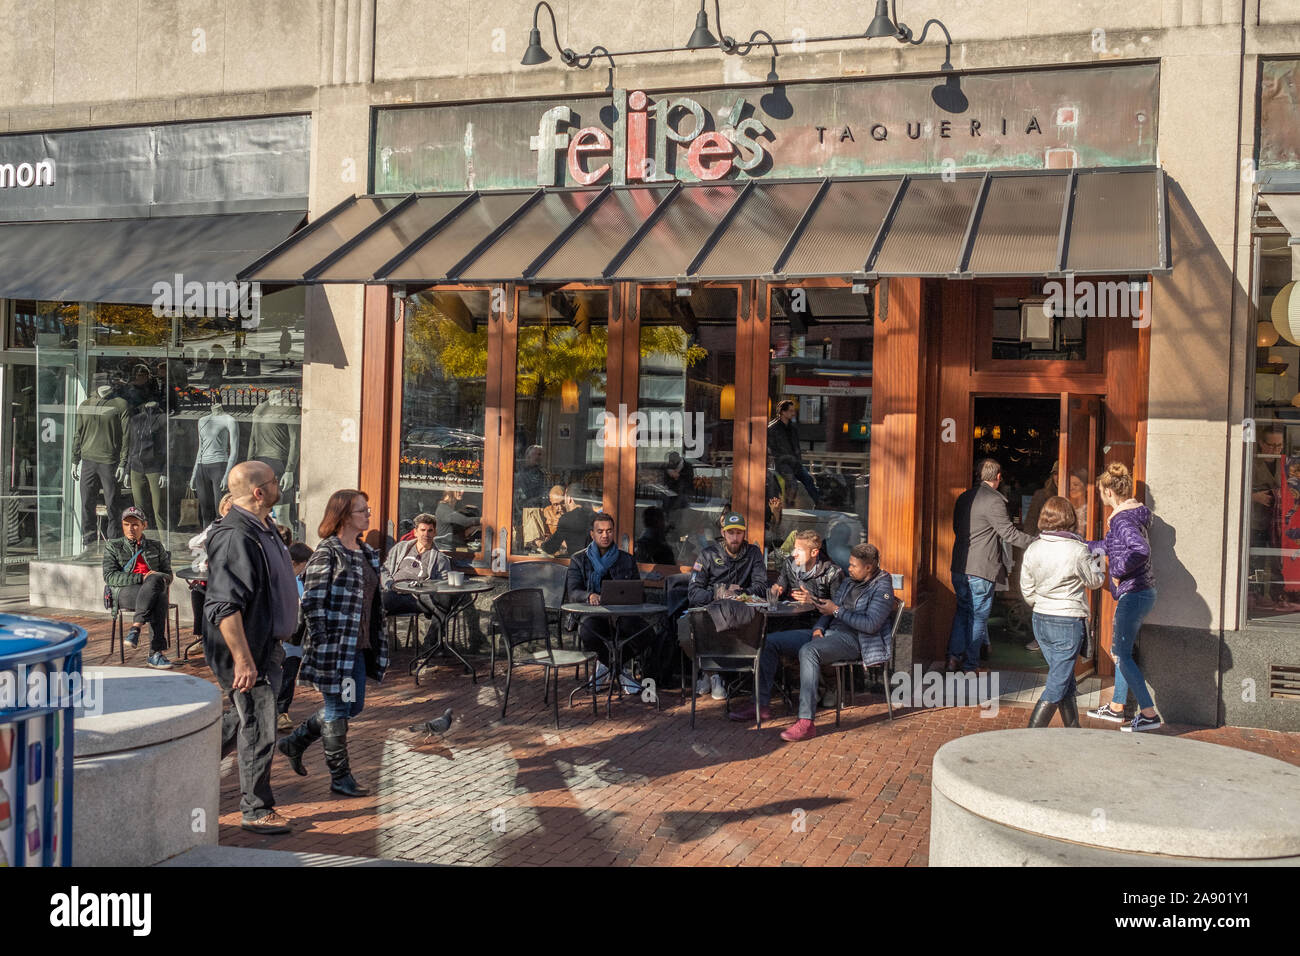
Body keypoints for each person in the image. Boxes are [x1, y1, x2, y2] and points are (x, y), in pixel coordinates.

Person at [203, 460, 300, 834]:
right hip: (248, 649)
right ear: (259, 492)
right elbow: (223, 605)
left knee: (250, 717)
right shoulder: (235, 537)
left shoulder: (263, 526)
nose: (279, 485)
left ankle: (191, 754)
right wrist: (243, 660)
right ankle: (255, 809)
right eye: (274, 482)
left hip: (266, 643)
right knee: (260, 723)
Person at [280, 489, 390, 796]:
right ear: (343, 516)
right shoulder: (327, 552)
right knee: (338, 709)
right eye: (361, 511)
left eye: (367, 509)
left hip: (361, 646)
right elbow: (312, 601)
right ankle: (341, 777)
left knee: (352, 707)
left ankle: (295, 741)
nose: (368, 514)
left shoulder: (365, 551)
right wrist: (325, 637)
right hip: (335, 648)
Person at [734, 543, 896, 742]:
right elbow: (830, 608)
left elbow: (870, 624)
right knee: (771, 642)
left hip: (857, 640)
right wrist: (819, 627)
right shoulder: (850, 581)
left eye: (854, 565)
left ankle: (806, 722)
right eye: (850, 564)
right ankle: (760, 704)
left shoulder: (882, 586)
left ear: (869, 567)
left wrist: (836, 611)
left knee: (809, 651)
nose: (850, 568)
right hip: (830, 632)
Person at [1085, 463, 1162, 732]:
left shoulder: (1121, 518)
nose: (1100, 496)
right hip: (1142, 591)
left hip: (1134, 593)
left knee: (1121, 654)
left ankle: (1149, 715)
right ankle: (1118, 707)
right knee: (1123, 652)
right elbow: (1113, 545)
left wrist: (1117, 571)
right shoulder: (1128, 515)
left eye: (1100, 492)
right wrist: (1085, 545)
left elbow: (1138, 550)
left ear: (1108, 491)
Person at [1020, 497, 1105, 728]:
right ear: (1070, 519)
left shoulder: (1033, 548)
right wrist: (1099, 560)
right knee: (1058, 680)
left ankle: (1073, 728)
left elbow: (1026, 588)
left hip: (1041, 618)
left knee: (1063, 676)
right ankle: (1030, 733)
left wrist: (1039, 604)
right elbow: (1096, 581)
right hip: (1067, 620)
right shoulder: (1078, 550)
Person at [948, 458, 1033, 672]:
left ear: (978, 475)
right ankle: (971, 665)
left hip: (959, 566)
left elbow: (957, 529)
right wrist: (1038, 541)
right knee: (978, 617)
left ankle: (953, 658)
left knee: (962, 612)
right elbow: (1009, 534)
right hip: (981, 569)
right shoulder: (995, 501)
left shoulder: (964, 498)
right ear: (998, 477)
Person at [681, 512, 768, 700]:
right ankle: (711, 673)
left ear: (744, 534)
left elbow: (761, 587)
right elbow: (693, 592)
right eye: (730, 533)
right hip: (711, 614)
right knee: (685, 629)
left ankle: (715, 674)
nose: (734, 537)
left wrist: (738, 593)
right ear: (723, 533)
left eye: (738, 533)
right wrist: (718, 593)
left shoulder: (754, 554)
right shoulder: (708, 555)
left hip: (741, 613)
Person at [564, 512, 644, 695]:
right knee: (587, 630)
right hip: (593, 613)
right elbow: (573, 591)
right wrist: (589, 595)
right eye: (600, 531)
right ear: (592, 534)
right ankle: (620, 671)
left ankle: (608, 666)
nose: (605, 535)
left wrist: (629, 597)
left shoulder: (626, 559)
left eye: (609, 531)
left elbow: (638, 591)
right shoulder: (579, 559)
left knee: (645, 632)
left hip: (621, 613)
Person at [102, 506, 175, 669]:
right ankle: (155, 653)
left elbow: (168, 575)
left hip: (152, 591)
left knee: (157, 588)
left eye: (135, 524)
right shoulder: (113, 546)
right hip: (125, 592)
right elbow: (110, 576)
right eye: (126, 524)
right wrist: (142, 577)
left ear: (144, 525)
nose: (130, 529)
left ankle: (135, 629)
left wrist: (156, 577)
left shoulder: (156, 546)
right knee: (158, 595)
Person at [379, 512, 451, 631]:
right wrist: (389, 585)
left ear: (435, 533)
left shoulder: (440, 558)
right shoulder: (401, 548)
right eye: (422, 530)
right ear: (415, 532)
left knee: (444, 601)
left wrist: (425, 588)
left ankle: (432, 642)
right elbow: (384, 570)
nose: (426, 534)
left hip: (418, 598)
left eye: (430, 531)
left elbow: (444, 584)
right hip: (393, 593)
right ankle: (374, 643)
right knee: (376, 600)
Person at [185, 492, 234, 653]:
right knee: (197, 591)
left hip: (231, 577)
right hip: (214, 573)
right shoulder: (215, 525)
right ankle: (200, 637)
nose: (229, 514)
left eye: (232, 510)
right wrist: (208, 540)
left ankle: (223, 639)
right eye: (226, 510)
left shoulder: (240, 528)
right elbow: (193, 543)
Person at [276, 542, 314, 732]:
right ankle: (275, 711)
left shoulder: (302, 579)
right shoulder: (280, 580)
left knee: (289, 673)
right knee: (280, 673)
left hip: (295, 635)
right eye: (306, 564)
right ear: (293, 563)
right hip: (281, 633)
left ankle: (281, 711)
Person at [767, 400, 820, 507]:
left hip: (794, 461)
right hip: (781, 463)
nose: (793, 413)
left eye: (793, 410)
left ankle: (819, 503)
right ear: (783, 412)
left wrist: (798, 460)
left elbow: (796, 446)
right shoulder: (772, 429)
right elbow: (770, 449)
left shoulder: (793, 428)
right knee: (792, 484)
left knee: (808, 479)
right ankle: (788, 507)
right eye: (791, 411)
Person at [772, 530, 843, 603]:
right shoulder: (789, 563)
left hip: (817, 614)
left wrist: (813, 601)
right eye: (795, 548)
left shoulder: (833, 572)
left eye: (799, 550)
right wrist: (777, 592)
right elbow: (781, 590)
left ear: (814, 553)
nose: (794, 554)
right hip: (793, 612)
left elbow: (836, 609)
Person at [541, 484, 591, 557]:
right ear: (550, 501)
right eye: (555, 504)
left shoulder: (578, 516)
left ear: (567, 498)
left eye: (562, 503)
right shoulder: (546, 512)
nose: (560, 508)